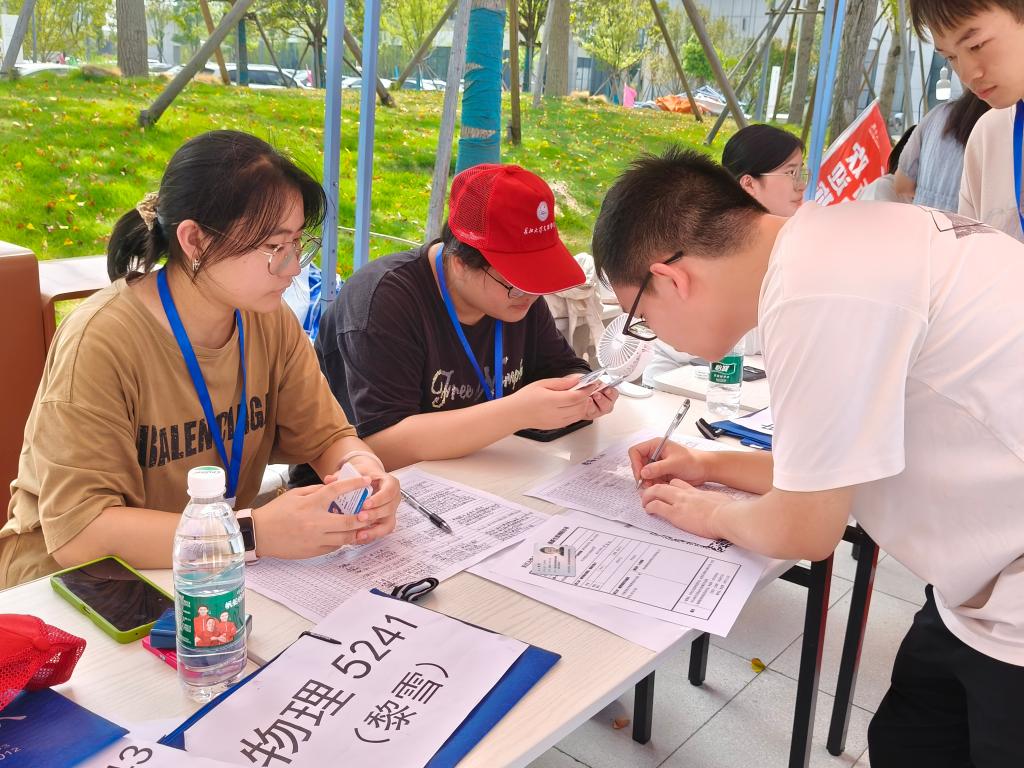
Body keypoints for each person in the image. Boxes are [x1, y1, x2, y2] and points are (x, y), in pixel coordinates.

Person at [593, 146, 1024, 768]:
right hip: (982, 586)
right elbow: (829, 471)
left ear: (671, 279)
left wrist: (706, 512)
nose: (652, 335)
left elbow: (806, 527)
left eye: (640, 318)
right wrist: (707, 465)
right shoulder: (831, 245)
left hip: (1010, 592)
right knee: (908, 740)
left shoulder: (813, 294)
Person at [0, 130, 400, 589]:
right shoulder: (101, 341)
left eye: (297, 244)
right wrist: (252, 533)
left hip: (205, 571)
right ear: (195, 241)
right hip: (68, 586)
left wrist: (363, 472)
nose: (293, 268)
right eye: (274, 248)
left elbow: (329, 437)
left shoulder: (267, 319)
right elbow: (81, 534)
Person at [306, 163, 618, 473]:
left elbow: (561, 366)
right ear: (459, 263)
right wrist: (516, 413)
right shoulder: (384, 302)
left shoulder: (518, 299)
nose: (531, 294)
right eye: (516, 282)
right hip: (362, 490)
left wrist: (584, 391)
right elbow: (382, 448)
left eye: (538, 277)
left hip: (477, 474)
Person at [643, 124, 806, 385]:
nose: (801, 185)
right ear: (749, 183)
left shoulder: (799, 245)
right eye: (791, 173)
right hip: (691, 390)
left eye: (802, 172)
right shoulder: (711, 248)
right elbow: (665, 359)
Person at [909, 0, 1024, 239]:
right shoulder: (987, 135)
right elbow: (973, 254)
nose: (966, 74)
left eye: (976, 45)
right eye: (950, 57)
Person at [892, 91, 990, 210]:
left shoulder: (938, 114)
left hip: (923, 218)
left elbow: (902, 184)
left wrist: (932, 196)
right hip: (973, 220)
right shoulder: (1004, 127)